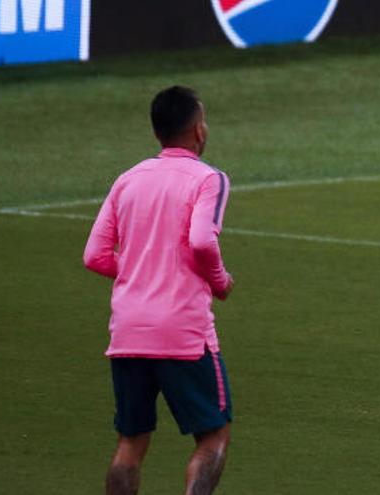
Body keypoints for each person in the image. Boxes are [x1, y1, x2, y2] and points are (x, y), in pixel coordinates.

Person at [84, 86, 235, 495]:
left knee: (130, 443)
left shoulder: (128, 179)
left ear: (158, 133)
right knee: (213, 435)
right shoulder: (210, 180)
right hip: (183, 332)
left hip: (129, 330)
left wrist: (140, 273)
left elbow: (94, 255)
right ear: (198, 130)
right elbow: (203, 241)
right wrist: (219, 280)